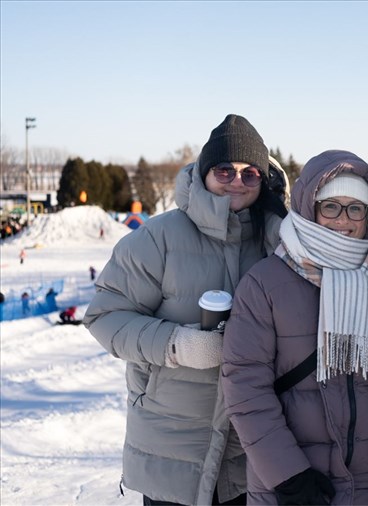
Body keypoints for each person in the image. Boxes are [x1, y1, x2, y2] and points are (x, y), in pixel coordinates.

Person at [83, 114, 288, 506]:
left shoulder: (278, 242)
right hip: (172, 450)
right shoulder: (157, 239)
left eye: (250, 174)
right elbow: (105, 316)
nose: (236, 181)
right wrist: (176, 345)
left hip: (250, 456)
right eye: (225, 170)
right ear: (204, 173)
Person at [221, 150, 368, 505]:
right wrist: (288, 476)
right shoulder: (265, 282)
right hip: (293, 487)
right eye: (331, 206)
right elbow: (244, 386)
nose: (342, 220)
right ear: (310, 208)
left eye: (355, 208)